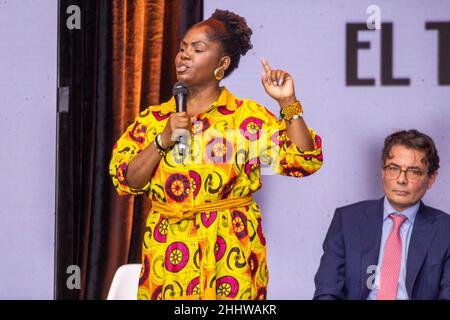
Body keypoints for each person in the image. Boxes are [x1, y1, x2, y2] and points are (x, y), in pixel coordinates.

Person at [110, 9, 323, 300]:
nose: (183, 55)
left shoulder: (247, 118)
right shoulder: (154, 119)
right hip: (169, 254)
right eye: (182, 48)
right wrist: (162, 140)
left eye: (197, 49)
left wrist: (288, 103)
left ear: (221, 64)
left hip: (230, 252)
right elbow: (126, 179)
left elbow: (303, 160)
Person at [314, 129, 450, 300]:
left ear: (431, 178)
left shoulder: (445, 230)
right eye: (393, 168)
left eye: (414, 171)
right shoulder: (347, 220)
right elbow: (327, 291)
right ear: (383, 172)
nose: (401, 180)